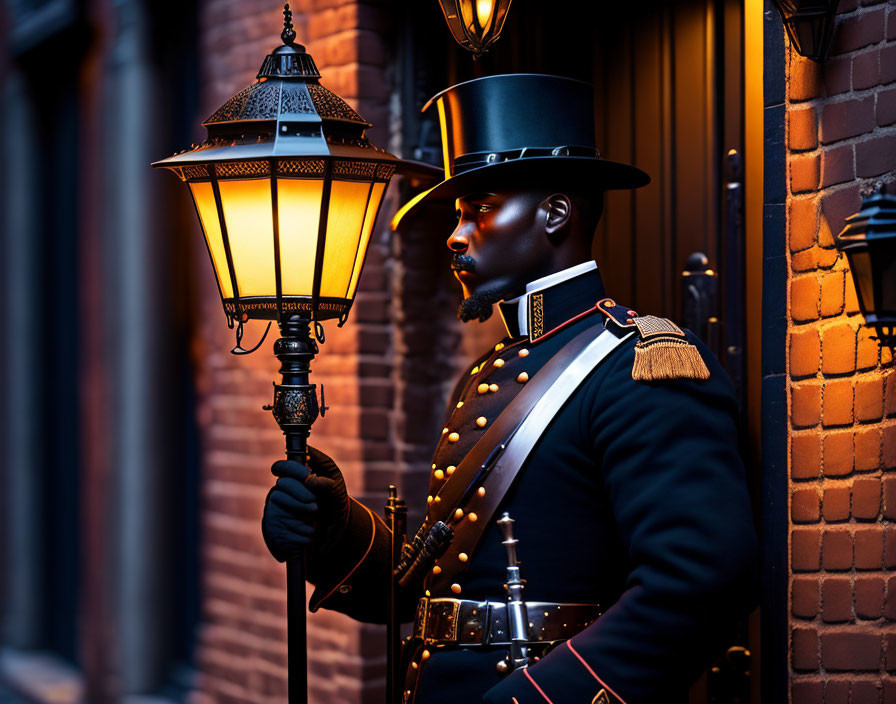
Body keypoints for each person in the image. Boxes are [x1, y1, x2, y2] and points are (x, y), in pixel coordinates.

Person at [261, 74, 757, 704]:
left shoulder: (644, 368)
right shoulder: (487, 374)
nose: (455, 233)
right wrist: (336, 531)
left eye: (481, 208)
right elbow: (438, 586)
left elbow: (700, 585)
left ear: (554, 214)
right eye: (459, 214)